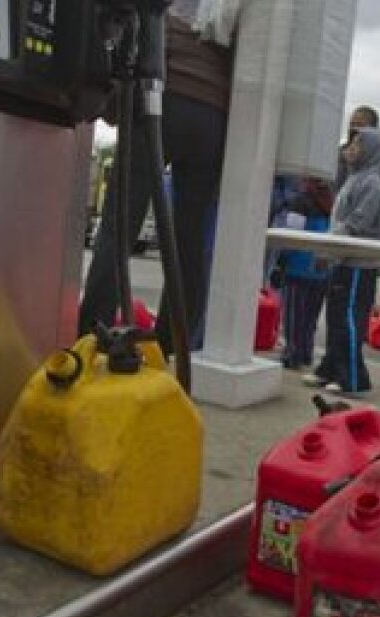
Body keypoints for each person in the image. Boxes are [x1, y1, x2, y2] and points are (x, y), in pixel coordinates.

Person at [79, 2, 237, 355]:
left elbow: (132, 54)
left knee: (119, 228)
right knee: (190, 241)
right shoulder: (226, 20)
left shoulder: (162, 13)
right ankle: (173, 345)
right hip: (214, 119)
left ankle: (92, 334)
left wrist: (112, 108)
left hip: (161, 103)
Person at [302, 128, 380, 397]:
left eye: (358, 144)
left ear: (371, 150)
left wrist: (328, 251)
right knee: (335, 317)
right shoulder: (355, 179)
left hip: (357, 264)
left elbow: (356, 225)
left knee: (349, 320)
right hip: (343, 259)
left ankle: (352, 377)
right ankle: (330, 368)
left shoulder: (372, 185)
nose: (351, 148)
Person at [279, 181, 334, 370]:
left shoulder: (300, 202)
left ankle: (292, 354)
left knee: (293, 316)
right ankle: (306, 353)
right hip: (320, 269)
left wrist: (281, 262)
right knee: (310, 318)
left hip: (297, 267)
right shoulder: (330, 202)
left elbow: (291, 236)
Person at [336, 106, 380, 206]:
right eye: (352, 124)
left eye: (360, 125)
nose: (354, 128)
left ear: (373, 129)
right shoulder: (340, 153)